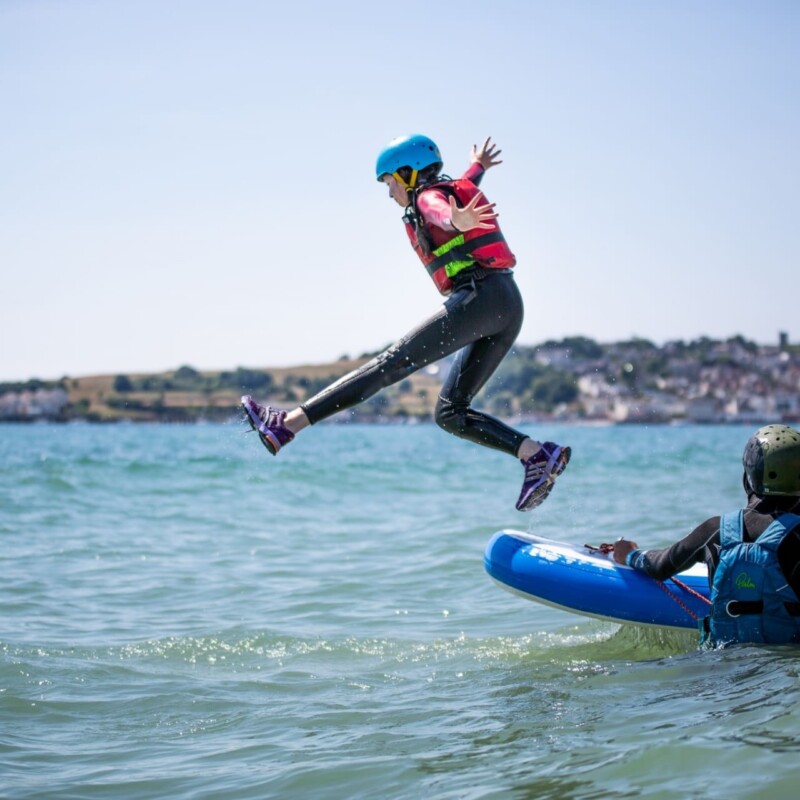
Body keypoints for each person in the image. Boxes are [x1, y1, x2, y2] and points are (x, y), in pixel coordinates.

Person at [242, 133, 570, 511]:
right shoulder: (443, 189)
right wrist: (477, 166)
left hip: (481, 297)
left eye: (389, 183)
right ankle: (536, 455)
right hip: (506, 304)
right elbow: (459, 190)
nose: (389, 194)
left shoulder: (429, 198)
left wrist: (454, 219)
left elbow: (437, 210)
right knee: (450, 413)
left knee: (389, 363)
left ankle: (286, 425)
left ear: (407, 174)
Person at [613, 424, 800, 646]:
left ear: (748, 476)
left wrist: (631, 555)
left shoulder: (715, 530)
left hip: (724, 664)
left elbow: (660, 566)